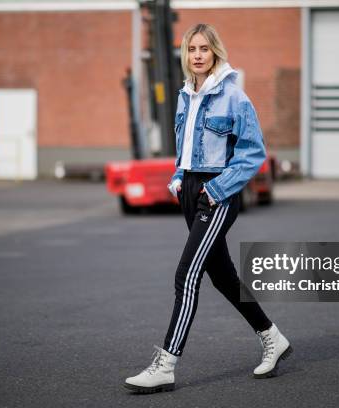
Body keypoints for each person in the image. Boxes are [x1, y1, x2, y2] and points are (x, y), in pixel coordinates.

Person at [124, 23, 292, 394]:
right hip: (191, 191)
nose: (197, 55)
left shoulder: (234, 97)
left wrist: (216, 189)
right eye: (191, 49)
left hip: (217, 193)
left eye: (204, 48)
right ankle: (272, 337)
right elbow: (185, 148)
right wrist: (177, 176)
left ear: (216, 51)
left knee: (187, 275)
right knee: (223, 278)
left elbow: (252, 154)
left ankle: (166, 363)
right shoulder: (185, 95)